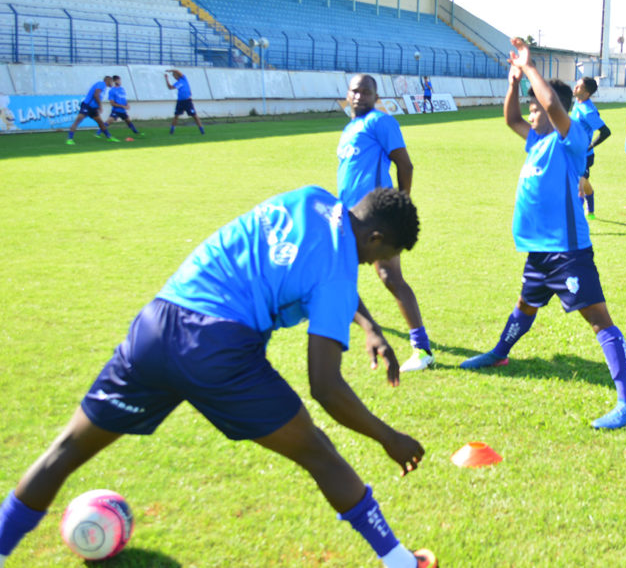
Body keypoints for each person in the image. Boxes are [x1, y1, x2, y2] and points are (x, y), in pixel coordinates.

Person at [0, 186, 437, 568]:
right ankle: (400, 562)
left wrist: (366, 324)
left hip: (158, 324)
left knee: (67, 448)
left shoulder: (312, 199)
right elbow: (325, 386)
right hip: (219, 349)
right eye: (377, 256)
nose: (369, 264)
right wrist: (387, 437)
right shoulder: (339, 276)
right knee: (319, 452)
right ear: (376, 237)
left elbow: (319, 265)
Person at [459, 38, 626, 431]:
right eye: (530, 106)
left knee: (599, 321)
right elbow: (510, 120)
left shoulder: (570, 139)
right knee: (525, 306)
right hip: (539, 252)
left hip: (568, 252)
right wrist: (512, 83)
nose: (531, 112)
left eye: (535, 106)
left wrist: (528, 67)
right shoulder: (537, 141)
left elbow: (557, 106)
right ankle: (499, 353)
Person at [338, 74, 433, 373]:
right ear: (347, 94)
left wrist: (399, 206)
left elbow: (405, 164)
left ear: (376, 97)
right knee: (336, 271)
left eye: (366, 92)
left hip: (375, 217)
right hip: (349, 217)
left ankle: (422, 349)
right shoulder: (350, 127)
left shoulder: (380, 122)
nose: (359, 97)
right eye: (355, 91)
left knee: (389, 276)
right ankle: (345, 325)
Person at [571, 76, 613, 220]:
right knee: (584, 183)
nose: (575, 88)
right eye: (576, 85)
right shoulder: (578, 103)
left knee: (579, 186)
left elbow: (606, 132)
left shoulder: (588, 110)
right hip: (573, 153)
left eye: (579, 87)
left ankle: (576, 221)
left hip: (584, 156)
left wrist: (590, 146)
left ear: (587, 93)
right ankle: (591, 209)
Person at [66, 76, 118, 145]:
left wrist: (97, 107)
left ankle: (109, 137)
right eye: (111, 81)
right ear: (108, 80)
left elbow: (97, 96)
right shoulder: (102, 84)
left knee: (100, 123)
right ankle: (69, 139)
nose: (112, 83)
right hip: (87, 106)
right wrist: (100, 106)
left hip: (93, 108)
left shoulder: (104, 88)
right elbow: (96, 95)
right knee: (78, 121)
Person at [165, 69, 205, 135]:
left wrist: (171, 70)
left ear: (177, 75)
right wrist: (166, 79)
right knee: (176, 116)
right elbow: (170, 87)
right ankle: (172, 130)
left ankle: (201, 130)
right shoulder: (177, 83)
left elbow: (177, 71)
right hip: (180, 101)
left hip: (187, 101)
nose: (174, 77)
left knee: (194, 115)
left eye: (174, 75)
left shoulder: (183, 79)